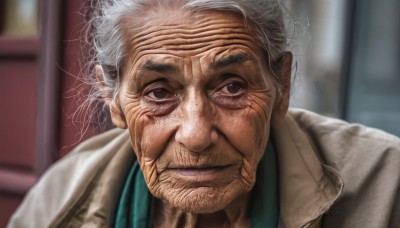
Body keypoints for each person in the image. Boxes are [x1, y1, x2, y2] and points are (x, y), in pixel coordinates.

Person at [8, 0, 400, 227]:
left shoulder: (386, 188)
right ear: (113, 100)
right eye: (159, 92)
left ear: (280, 85)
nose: (195, 134)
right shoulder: (56, 201)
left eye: (232, 86)